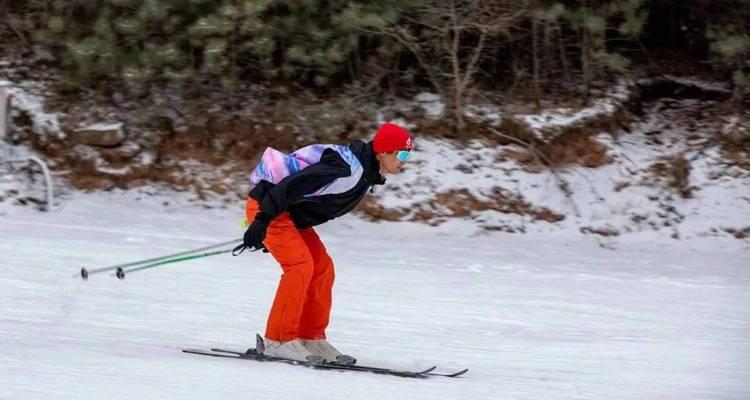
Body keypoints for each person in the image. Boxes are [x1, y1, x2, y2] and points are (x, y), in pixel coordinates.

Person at [235, 123, 413, 365]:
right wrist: (261, 222)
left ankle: (310, 337)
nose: (404, 161)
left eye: (407, 155)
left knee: (322, 268)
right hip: (269, 206)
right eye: (401, 154)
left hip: (287, 214)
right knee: (300, 265)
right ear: (383, 151)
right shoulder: (345, 169)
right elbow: (289, 186)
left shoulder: (367, 172)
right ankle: (277, 340)